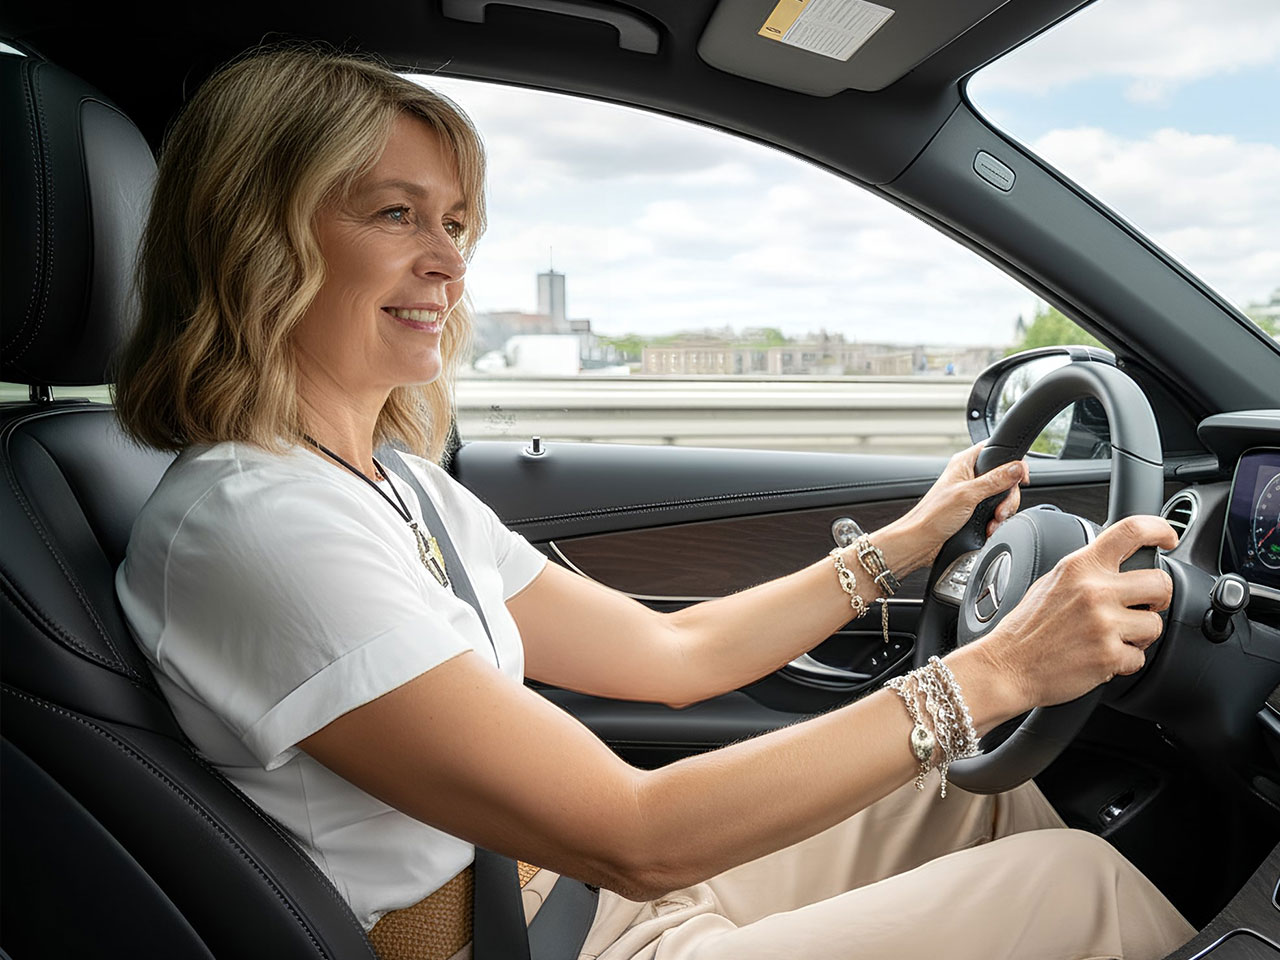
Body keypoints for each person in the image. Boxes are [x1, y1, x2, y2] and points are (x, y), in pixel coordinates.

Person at [113, 47, 1195, 960]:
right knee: (1077, 885)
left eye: (454, 221)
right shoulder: (257, 528)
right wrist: (1000, 668)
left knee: (972, 794)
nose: (446, 260)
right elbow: (635, 833)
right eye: (394, 215)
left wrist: (902, 548)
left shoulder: (390, 483)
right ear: (256, 244)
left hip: (573, 900)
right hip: (540, 937)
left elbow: (667, 659)